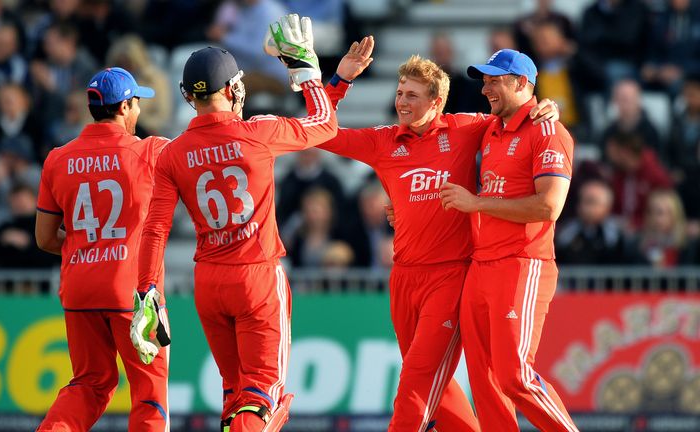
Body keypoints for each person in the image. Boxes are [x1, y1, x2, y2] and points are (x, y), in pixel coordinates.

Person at [321, 42, 558, 430]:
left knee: (416, 381)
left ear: (437, 101)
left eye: (412, 95)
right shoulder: (384, 141)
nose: (401, 101)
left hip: (452, 277)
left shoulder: (467, 128)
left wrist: (548, 107)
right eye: (399, 92)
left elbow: (519, 115)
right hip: (403, 277)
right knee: (440, 389)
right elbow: (319, 133)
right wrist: (341, 80)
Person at [133, 14, 336, 432]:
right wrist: (307, 73)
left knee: (235, 392)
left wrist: (147, 289)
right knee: (263, 395)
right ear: (231, 89)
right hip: (257, 276)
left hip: (209, 282)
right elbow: (325, 124)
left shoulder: (173, 154)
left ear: (189, 96)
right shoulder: (256, 132)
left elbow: (155, 228)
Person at [440, 49, 578, 431]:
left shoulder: (547, 130)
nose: (485, 88)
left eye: (494, 80)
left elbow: (550, 207)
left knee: (514, 376)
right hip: (481, 266)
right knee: (485, 382)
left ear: (522, 83)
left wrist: (475, 203)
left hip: (522, 262)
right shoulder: (491, 129)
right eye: (484, 80)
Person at [34, 67, 170, 431]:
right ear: (124, 106)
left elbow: (45, 238)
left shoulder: (57, 158)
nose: (139, 110)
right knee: (149, 391)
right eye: (137, 102)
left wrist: (87, 245)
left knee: (89, 385)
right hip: (133, 291)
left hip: (79, 287)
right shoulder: (149, 151)